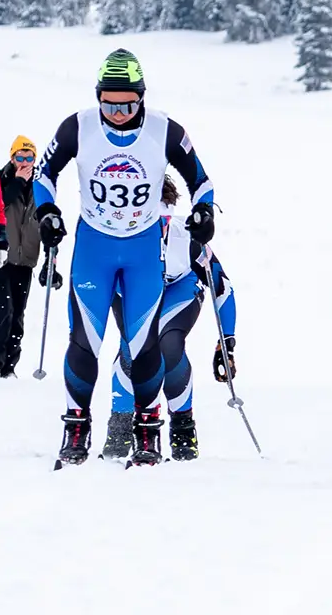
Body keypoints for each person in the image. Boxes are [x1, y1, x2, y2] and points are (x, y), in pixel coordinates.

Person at [36, 49, 217, 467]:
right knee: (85, 340)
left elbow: (201, 181)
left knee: (143, 344)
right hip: (94, 248)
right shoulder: (77, 126)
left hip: (141, 250)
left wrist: (204, 212)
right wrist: (46, 212)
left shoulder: (165, 130)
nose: (118, 114)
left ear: (142, 98)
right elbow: (45, 173)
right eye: (109, 105)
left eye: (128, 105)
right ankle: (76, 427)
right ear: (98, 97)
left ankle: (147, 430)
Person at [104, 176, 238, 462]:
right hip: (132, 292)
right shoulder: (117, 237)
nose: (160, 229)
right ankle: (120, 429)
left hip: (178, 288)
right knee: (132, 348)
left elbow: (222, 287)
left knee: (169, 343)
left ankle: (183, 430)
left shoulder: (186, 238)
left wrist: (226, 342)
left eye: (164, 220)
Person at [0, 137, 42, 378]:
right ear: (12, 157)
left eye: (29, 157)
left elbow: (46, 220)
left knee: (17, 315)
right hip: (1, 257)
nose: (24, 162)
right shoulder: (1, 180)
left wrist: (52, 257)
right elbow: (0, 203)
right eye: (20, 157)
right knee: (2, 312)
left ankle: (9, 367)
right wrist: (16, 182)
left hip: (25, 259)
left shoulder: (40, 186)